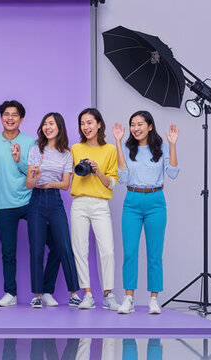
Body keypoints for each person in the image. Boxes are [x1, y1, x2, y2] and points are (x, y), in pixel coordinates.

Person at [112, 111, 179, 314]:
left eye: (140, 124)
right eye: (132, 124)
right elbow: (123, 178)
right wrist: (118, 143)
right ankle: (128, 299)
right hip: (132, 201)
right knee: (130, 252)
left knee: (154, 253)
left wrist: (173, 145)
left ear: (150, 126)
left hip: (155, 201)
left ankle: (153, 300)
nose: (135, 128)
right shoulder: (126, 148)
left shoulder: (162, 148)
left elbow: (173, 173)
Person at [25, 112, 80, 308]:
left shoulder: (66, 154)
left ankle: (73, 293)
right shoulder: (35, 150)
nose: (47, 127)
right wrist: (36, 176)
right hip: (36, 201)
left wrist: (47, 183)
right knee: (37, 249)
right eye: (45, 124)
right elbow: (29, 184)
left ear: (59, 127)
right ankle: (38, 295)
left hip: (55, 201)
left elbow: (65, 185)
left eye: (51, 124)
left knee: (63, 247)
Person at [69, 108, 119, 310]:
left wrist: (97, 171)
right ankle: (87, 294)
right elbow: (67, 173)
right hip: (79, 203)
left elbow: (111, 183)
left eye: (89, 122)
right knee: (79, 250)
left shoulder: (110, 150)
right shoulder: (75, 149)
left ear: (99, 124)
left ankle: (108, 295)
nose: (86, 127)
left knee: (107, 250)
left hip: (100, 204)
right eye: (82, 123)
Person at [0, 100, 37, 307]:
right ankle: (10, 293)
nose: (10, 118)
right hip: (3, 204)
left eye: (14, 115)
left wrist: (19, 160)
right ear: (1, 118)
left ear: (21, 119)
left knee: (40, 246)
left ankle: (41, 292)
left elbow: (34, 173)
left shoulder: (31, 142)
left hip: (29, 201)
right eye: (6, 114)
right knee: (8, 252)